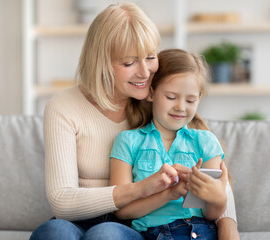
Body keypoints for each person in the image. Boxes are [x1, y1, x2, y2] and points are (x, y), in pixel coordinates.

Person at [30, 2, 238, 240]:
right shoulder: (63, 107)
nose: (145, 73)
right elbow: (62, 201)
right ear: (101, 62)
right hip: (79, 217)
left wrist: (227, 227)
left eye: (150, 57)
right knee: (53, 232)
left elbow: (211, 173)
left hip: (128, 225)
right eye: (129, 63)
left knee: (105, 234)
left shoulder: (158, 100)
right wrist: (141, 188)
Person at [110, 49, 239, 240]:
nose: (180, 107)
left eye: (190, 100)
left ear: (199, 99)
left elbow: (212, 213)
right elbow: (122, 211)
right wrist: (170, 194)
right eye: (171, 97)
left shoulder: (205, 141)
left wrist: (219, 198)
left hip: (200, 231)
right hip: (150, 233)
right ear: (151, 93)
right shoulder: (128, 141)